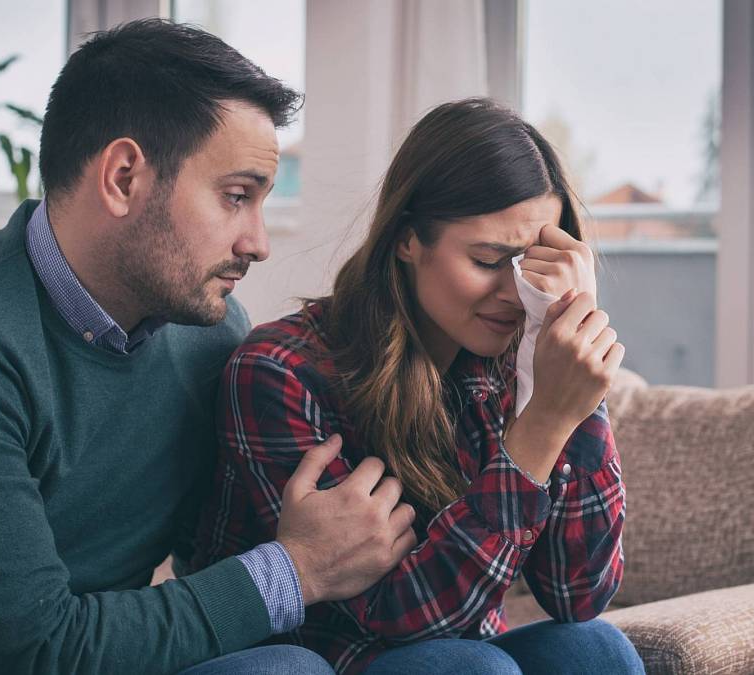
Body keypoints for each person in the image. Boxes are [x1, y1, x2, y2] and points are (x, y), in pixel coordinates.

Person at [0, 19, 417, 675]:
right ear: (124, 177)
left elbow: (210, 566)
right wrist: (292, 570)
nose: (258, 242)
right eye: (236, 196)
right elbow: (36, 649)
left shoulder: (210, 334)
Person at [194, 98, 645, 674]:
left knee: (593, 650)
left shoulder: (520, 359)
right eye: (487, 260)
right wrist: (546, 423)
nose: (514, 293)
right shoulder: (281, 372)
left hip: (456, 655)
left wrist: (569, 376)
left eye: (533, 266)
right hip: (319, 658)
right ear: (408, 240)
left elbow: (577, 595)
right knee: (472, 668)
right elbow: (410, 619)